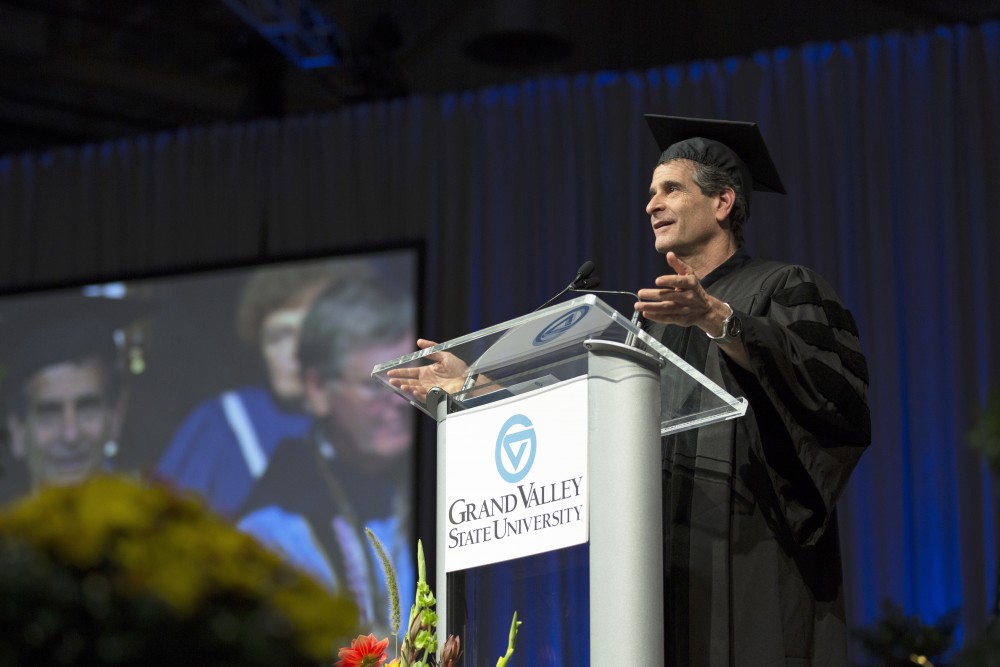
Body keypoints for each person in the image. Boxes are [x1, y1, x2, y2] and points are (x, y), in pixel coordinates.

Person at [389, 115, 871, 666]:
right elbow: (590, 418)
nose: (651, 204)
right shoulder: (652, 326)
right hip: (657, 562)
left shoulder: (783, 286)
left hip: (752, 550)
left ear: (723, 202)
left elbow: (834, 398)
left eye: (670, 189)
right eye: (650, 192)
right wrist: (477, 384)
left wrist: (720, 320)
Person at [239, 275, 416, 639]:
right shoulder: (273, 528)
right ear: (318, 388)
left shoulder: (443, 468)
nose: (399, 400)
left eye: (409, 376)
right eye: (375, 385)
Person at [154, 261, 372, 518]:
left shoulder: (370, 418)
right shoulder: (222, 422)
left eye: (310, 331)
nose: (296, 352)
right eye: (279, 337)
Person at [1, 295, 136, 500]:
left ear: (116, 417)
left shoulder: (155, 529)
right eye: (49, 413)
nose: (70, 435)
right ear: (17, 431)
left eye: (87, 409)